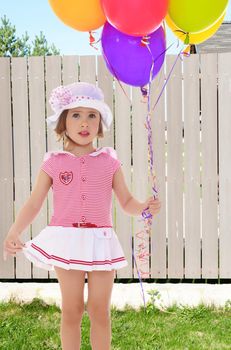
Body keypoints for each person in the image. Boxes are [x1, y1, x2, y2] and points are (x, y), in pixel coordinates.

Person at [3, 82, 161, 350]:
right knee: (72, 310)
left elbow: (126, 202)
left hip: (101, 242)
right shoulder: (54, 162)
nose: (84, 122)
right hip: (67, 241)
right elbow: (34, 203)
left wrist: (144, 206)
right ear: (63, 122)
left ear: (100, 123)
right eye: (76, 115)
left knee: (100, 311)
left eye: (92, 115)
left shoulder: (109, 161)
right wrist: (14, 230)